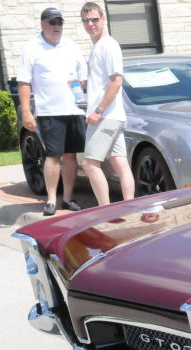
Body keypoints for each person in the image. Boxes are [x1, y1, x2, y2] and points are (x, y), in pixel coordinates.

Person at [17, 7, 87, 216]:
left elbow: (83, 77)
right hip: (49, 112)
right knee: (53, 156)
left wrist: (81, 87)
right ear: (43, 24)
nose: (57, 27)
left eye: (59, 23)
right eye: (52, 22)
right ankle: (51, 200)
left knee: (71, 156)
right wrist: (26, 112)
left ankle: (67, 198)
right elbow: (24, 82)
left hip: (75, 110)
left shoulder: (71, 45)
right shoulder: (32, 48)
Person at [79, 2, 134, 206]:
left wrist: (98, 111)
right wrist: (85, 85)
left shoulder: (108, 45)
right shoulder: (99, 46)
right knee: (120, 162)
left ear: (103, 19)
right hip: (113, 116)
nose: (90, 24)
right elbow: (104, 82)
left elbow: (116, 81)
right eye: (86, 21)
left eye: (94, 19)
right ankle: (129, 207)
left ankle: (105, 210)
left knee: (89, 164)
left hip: (105, 117)